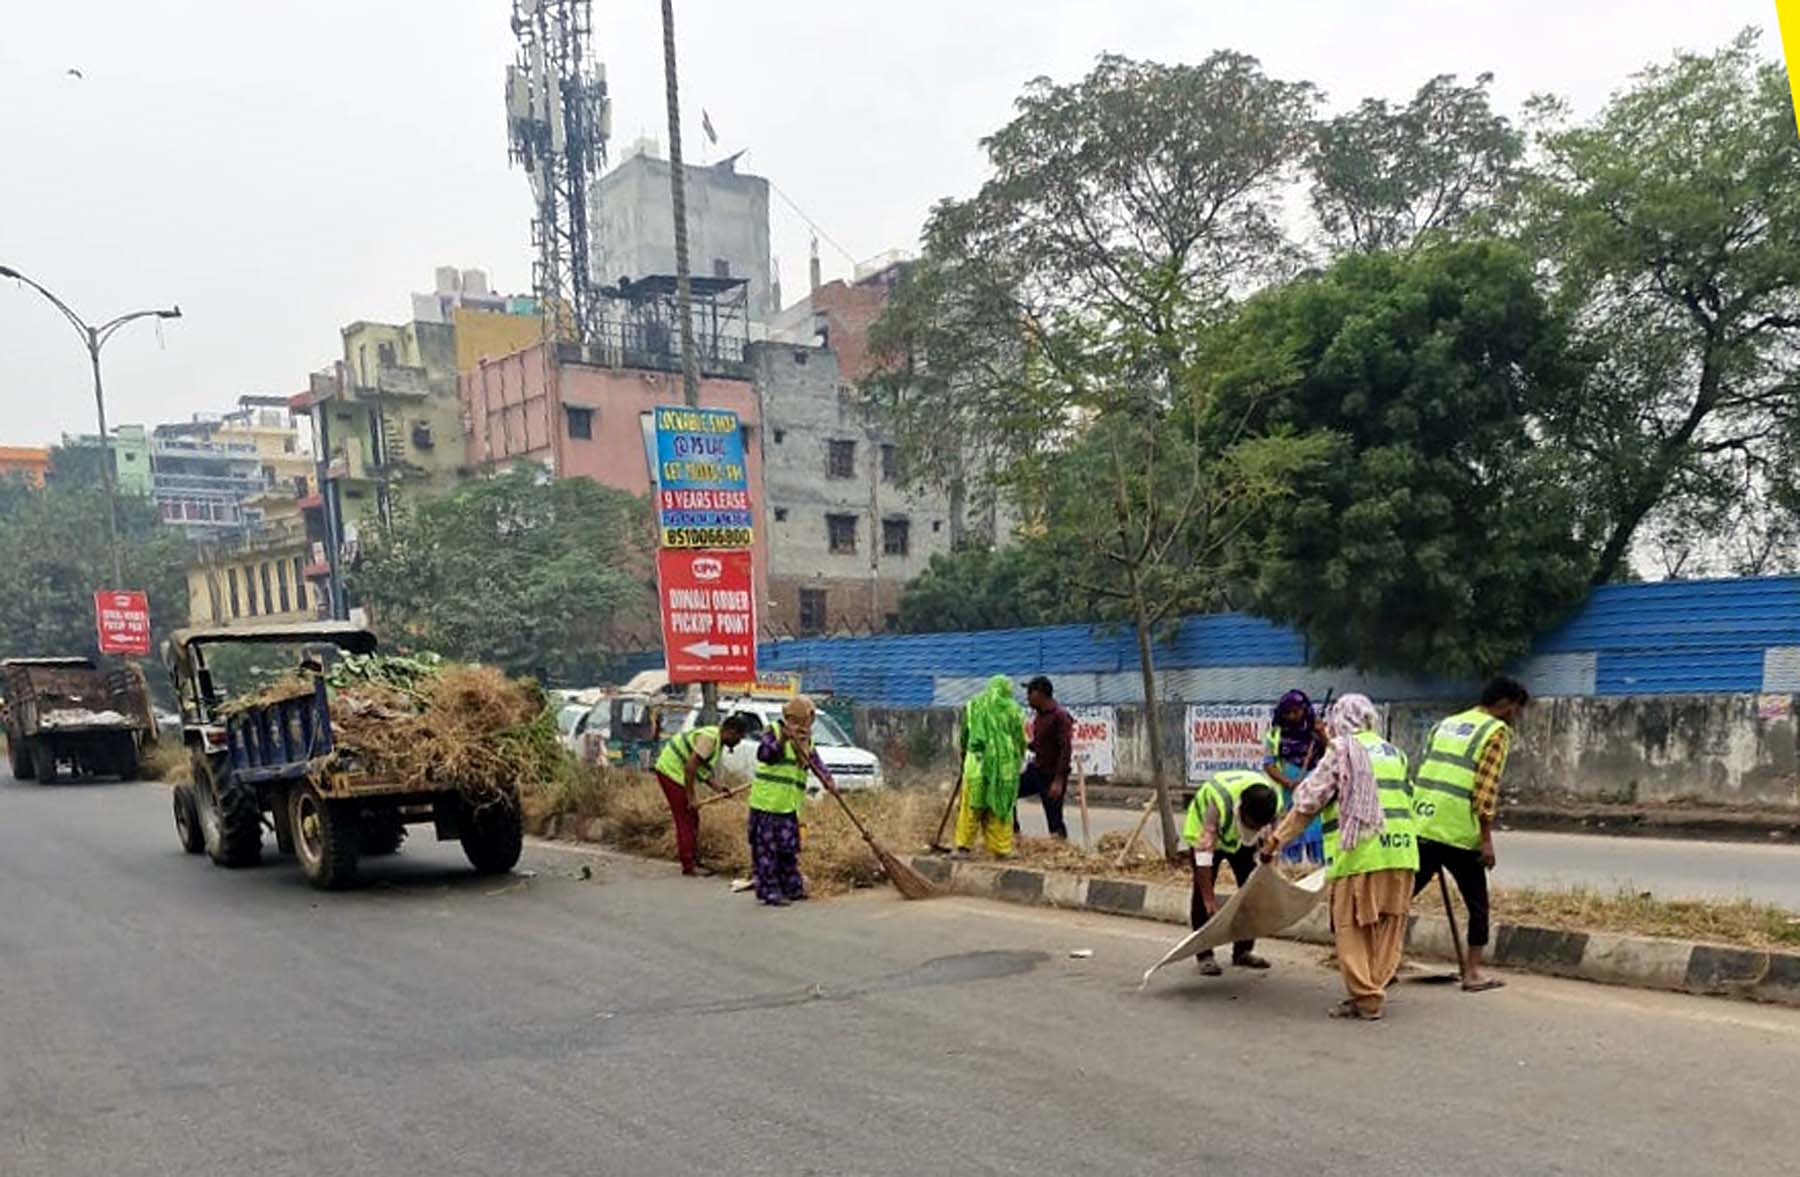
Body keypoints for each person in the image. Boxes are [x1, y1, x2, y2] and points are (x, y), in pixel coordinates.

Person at [1264, 694, 1419, 1021]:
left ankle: (1367, 998)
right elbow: (1409, 798)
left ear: (1338, 720)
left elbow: (1307, 803)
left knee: (1351, 927)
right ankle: (1375, 986)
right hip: (1403, 852)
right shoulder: (1395, 753)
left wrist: (1275, 840)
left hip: (1360, 854)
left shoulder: (1341, 751)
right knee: (1388, 926)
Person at [1411, 675, 1530, 993]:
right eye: (1515, 709)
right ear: (1504, 704)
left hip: (1423, 823)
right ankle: (1473, 973)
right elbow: (1485, 790)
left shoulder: (1447, 724)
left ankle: (1376, 961)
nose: (1515, 717)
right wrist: (1486, 839)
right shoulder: (1495, 732)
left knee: (1399, 898)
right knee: (1478, 905)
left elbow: (1423, 769)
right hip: (1459, 832)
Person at [1185, 762, 1284, 975]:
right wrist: (1209, 898)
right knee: (1202, 899)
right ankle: (1205, 955)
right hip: (1206, 833)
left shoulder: (1273, 802)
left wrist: (1269, 856)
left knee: (1251, 891)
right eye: (1249, 824)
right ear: (1240, 809)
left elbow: (1275, 840)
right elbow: (1203, 860)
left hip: (1240, 844)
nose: (1253, 829)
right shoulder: (1216, 803)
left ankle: (1243, 952)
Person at [749, 695, 838, 907]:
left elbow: (814, 762)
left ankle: (792, 888)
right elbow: (765, 754)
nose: (807, 723)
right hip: (767, 804)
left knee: (788, 850)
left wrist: (828, 780)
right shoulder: (774, 731)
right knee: (766, 852)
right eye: (807, 717)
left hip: (789, 806)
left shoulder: (807, 740)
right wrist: (783, 740)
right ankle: (769, 892)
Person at [652, 712, 750, 876]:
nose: (738, 742)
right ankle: (688, 865)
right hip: (671, 772)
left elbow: (701, 770)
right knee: (686, 819)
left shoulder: (716, 741)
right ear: (731, 731)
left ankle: (693, 859)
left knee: (693, 819)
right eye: (739, 737)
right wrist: (691, 798)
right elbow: (690, 768)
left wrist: (718, 788)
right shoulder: (710, 739)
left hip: (677, 772)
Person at [955, 675, 1026, 858]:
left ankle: (963, 847)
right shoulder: (1014, 709)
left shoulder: (974, 705)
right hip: (1004, 768)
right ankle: (1001, 849)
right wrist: (1018, 757)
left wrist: (964, 754)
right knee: (999, 808)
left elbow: (965, 734)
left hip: (976, 765)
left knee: (972, 807)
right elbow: (1020, 739)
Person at [1014, 675, 1073, 839]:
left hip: (1051, 775)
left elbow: (1065, 749)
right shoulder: (1039, 716)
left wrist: (1058, 780)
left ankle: (1061, 848)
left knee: (1054, 819)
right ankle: (1014, 833)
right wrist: (1022, 743)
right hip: (1036, 770)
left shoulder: (1060, 716)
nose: (1027, 698)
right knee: (1008, 792)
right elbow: (1039, 745)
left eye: (1029, 693)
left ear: (1039, 694)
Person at [1265, 689, 1325, 779]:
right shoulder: (1275, 734)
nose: (1291, 716)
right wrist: (1288, 783)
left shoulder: (1317, 729)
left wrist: (1322, 734)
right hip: (1286, 789)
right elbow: (1268, 764)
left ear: (1304, 710)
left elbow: (1334, 754)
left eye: (1296, 712)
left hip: (1316, 786)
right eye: (1287, 712)